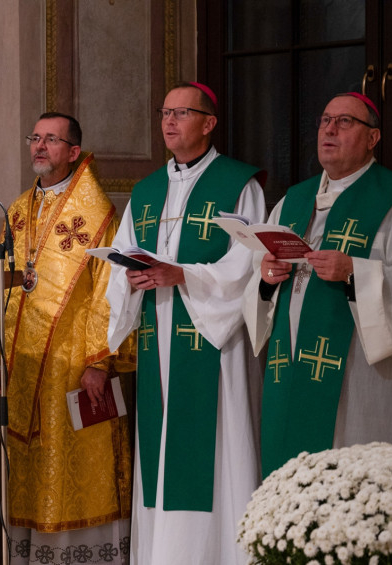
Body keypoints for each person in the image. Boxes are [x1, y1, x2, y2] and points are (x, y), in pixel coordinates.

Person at [105, 82, 266, 564]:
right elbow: (120, 260)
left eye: (182, 113)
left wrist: (185, 276)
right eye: (165, 113)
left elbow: (250, 264)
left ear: (209, 123)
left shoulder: (239, 185)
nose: (169, 122)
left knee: (217, 453)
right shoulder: (146, 191)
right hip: (158, 337)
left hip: (214, 343)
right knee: (161, 457)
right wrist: (130, 278)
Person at [243, 92, 392, 479]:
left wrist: (355, 271)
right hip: (293, 368)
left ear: (373, 138)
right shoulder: (291, 202)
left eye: (345, 121)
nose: (330, 129)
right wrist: (267, 279)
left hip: (361, 379)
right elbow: (260, 280)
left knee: (358, 484)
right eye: (324, 120)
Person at [0, 112, 137, 564]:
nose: (40, 146)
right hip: (24, 366)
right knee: (31, 472)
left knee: (78, 467)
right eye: (35, 137)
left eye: (51, 139)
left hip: (73, 366)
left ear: (74, 152)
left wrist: (98, 360)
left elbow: (110, 287)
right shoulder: (17, 210)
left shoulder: (98, 212)